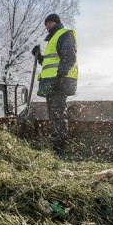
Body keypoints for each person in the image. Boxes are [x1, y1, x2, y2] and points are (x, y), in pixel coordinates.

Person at [32, 13, 78, 154]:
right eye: (46, 24)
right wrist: (39, 57)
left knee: (58, 115)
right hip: (51, 83)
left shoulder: (64, 34)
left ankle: (60, 148)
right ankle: (57, 144)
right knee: (53, 114)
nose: (48, 26)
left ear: (57, 23)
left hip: (60, 82)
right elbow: (50, 62)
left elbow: (69, 57)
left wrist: (61, 77)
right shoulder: (52, 39)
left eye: (50, 23)